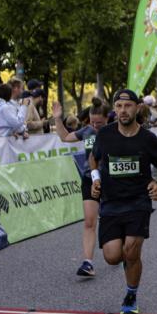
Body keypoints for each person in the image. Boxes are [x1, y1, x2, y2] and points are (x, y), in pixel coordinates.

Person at [88, 89, 157, 314]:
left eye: (127, 106)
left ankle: (131, 295)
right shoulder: (105, 134)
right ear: (114, 109)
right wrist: (95, 178)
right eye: (118, 107)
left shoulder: (148, 138)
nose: (122, 111)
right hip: (111, 203)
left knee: (132, 250)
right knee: (113, 256)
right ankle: (129, 261)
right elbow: (93, 158)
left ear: (136, 108)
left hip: (138, 203)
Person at [53, 97, 108, 277]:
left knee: (111, 219)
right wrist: (57, 118)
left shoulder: (115, 131)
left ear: (107, 119)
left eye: (99, 123)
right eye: (92, 122)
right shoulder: (86, 131)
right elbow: (64, 137)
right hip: (89, 179)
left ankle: (120, 248)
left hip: (111, 181)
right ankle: (88, 262)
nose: (95, 126)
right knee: (89, 221)